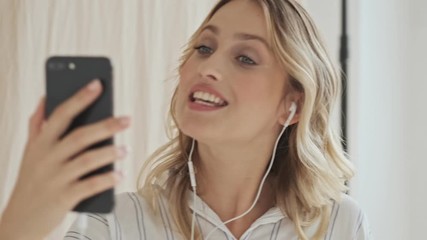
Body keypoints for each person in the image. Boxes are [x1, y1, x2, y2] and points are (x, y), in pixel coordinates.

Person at [0, 0, 371, 239]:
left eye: (245, 58)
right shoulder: (116, 223)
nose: (207, 67)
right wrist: (23, 221)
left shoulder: (338, 224)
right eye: (204, 48)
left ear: (292, 105)